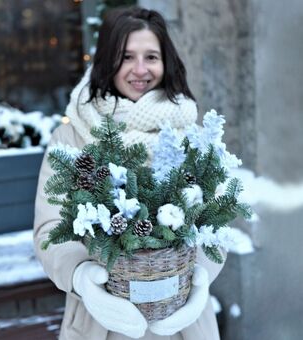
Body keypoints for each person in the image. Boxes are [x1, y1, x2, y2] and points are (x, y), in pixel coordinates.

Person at [34, 6, 225, 340]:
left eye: (151, 56)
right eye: (126, 57)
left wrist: (200, 279)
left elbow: (218, 220)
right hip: (100, 325)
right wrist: (82, 279)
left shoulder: (188, 133)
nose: (140, 70)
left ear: (166, 63)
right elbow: (49, 229)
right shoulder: (73, 134)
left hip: (183, 326)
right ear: (108, 60)